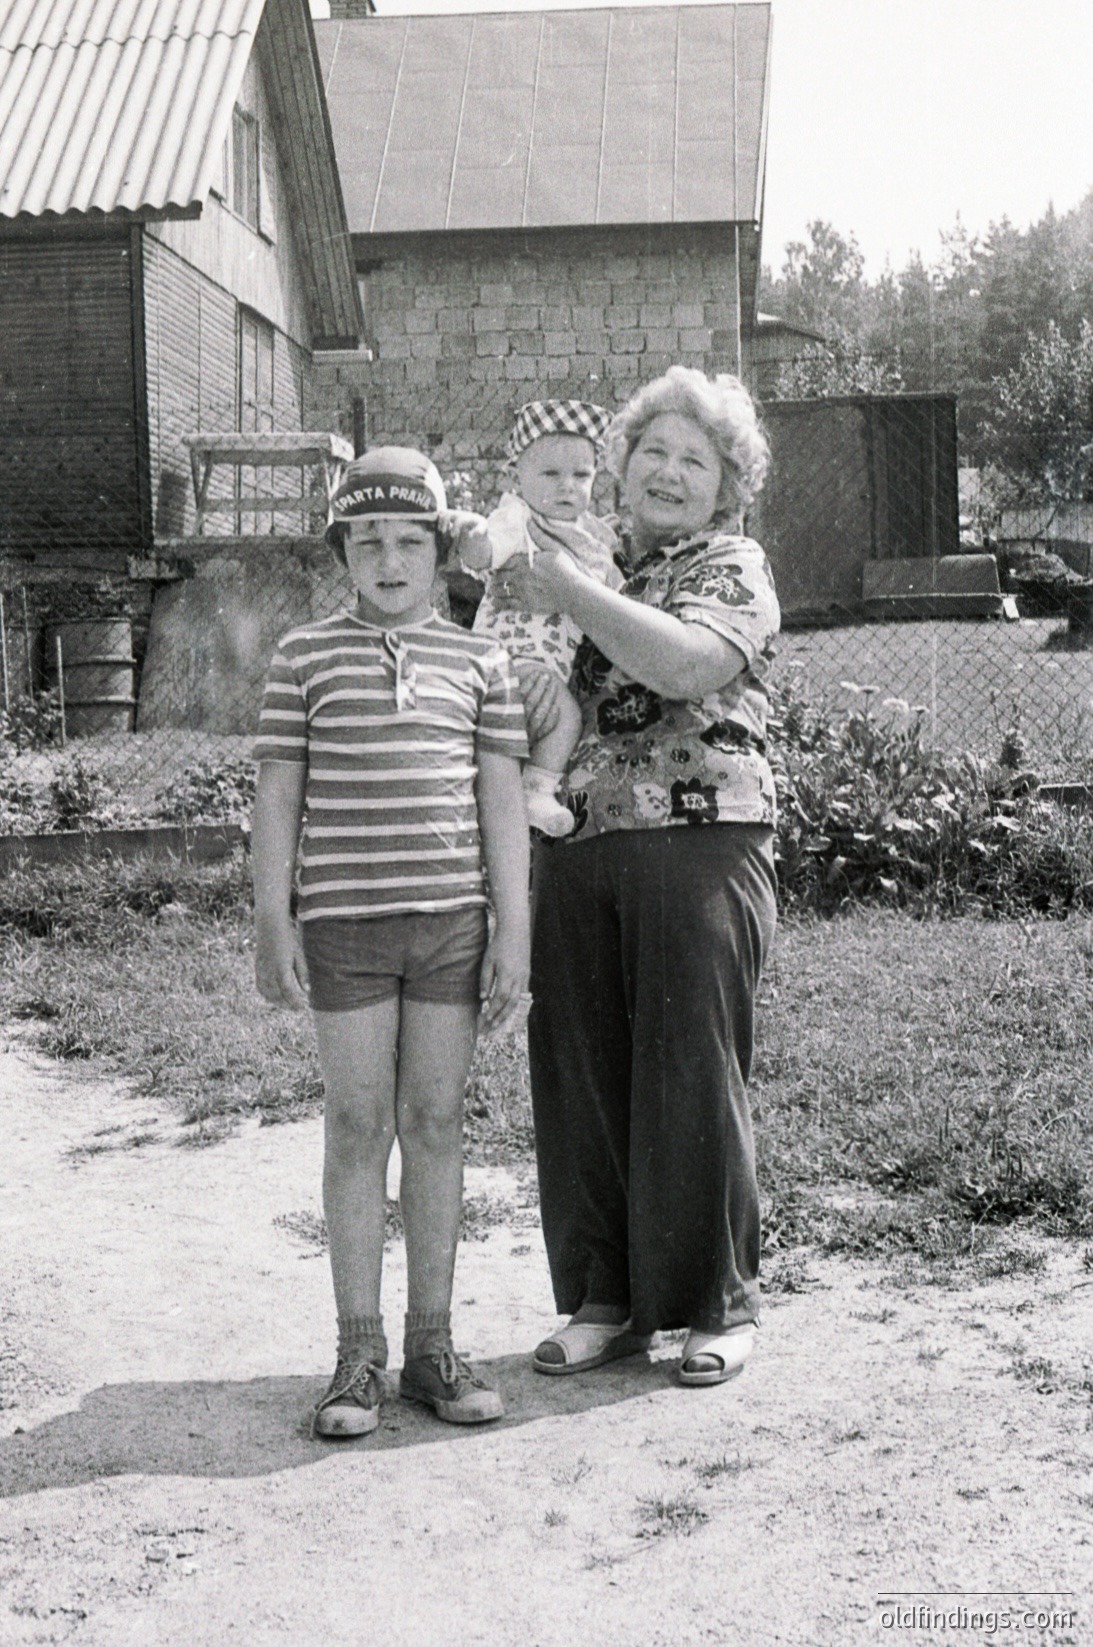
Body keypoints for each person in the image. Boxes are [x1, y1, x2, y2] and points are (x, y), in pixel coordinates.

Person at [490, 367, 780, 1387]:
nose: (666, 471)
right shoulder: (588, 553)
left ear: (726, 484)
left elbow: (686, 667)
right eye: (650, 450)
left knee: (688, 1071)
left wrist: (565, 590)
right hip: (575, 841)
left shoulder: (730, 564)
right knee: (578, 1076)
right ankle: (602, 1301)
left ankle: (715, 1306)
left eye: (692, 459)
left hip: (702, 843)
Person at [251, 447, 531, 1437]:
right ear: (342, 552)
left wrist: (514, 939)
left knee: (437, 1125)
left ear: (439, 550)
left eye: (409, 538)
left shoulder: (478, 660)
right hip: (345, 930)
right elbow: (278, 797)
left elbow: (500, 801)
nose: (388, 557)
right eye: (365, 539)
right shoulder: (303, 658)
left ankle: (431, 1347)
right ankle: (356, 1352)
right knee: (358, 1126)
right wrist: (273, 919)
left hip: (451, 928)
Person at [460, 399, 620, 837]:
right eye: (551, 474)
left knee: (562, 720)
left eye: (581, 475)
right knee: (547, 721)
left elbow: (614, 600)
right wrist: (473, 541)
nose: (567, 486)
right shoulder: (518, 516)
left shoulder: (592, 537)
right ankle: (523, 792)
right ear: (517, 477)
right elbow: (486, 551)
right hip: (509, 659)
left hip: (549, 669)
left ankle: (534, 790)